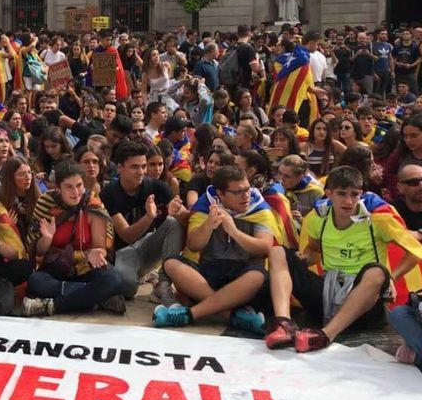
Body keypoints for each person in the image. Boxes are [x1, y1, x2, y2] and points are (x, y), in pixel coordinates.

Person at [264, 166, 422, 352]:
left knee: (377, 271)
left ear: (361, 194)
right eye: (341, 194)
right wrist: (303, 260)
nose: (348, 201)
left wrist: (392, 278)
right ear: (329, 194)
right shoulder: (318, 219)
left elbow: (415, 251)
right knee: (277, 252)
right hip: (328, 294)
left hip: (364, 304)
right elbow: (314, 250)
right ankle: (284, 324)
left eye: (354, 194)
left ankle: (325, 335)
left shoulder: (378, 221)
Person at [155, 166, 274, 334]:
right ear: (221, 194)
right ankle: (231, 315)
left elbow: (265, 248)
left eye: (247, 189)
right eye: (238, 192)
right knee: (171, 263)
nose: (246, 196)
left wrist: (234, 231)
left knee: (258, 276)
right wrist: (208, 224)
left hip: (242, 277)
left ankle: (190, 314)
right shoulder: (206, 205)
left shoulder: (259, 207)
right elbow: (194, 245)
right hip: (209, 275)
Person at [22, 160, 125, 316]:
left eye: (79, 185)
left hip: (86, 266)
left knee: (114, 281)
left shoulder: (93, 204)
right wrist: (47, 238)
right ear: (57, 188)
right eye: (69, 187)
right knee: (36, 282)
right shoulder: (46, 204)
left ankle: (51, 305)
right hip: (56, 267)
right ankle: (94, 298)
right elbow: (39, 252)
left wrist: (96, 253)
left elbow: (100, 248)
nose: (76, 192)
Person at [100, 140, 188, 301]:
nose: (140, 171)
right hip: (122, 252)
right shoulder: (109, 193)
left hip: (148, 245)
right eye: (134, 167)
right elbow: (126, 235)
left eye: (143, 166)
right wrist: (149, 217)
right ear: (120, 167)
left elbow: (186, 220)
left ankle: (163, 283)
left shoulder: (158, 187)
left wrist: (179, 213)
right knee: (127, 288)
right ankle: (140, 274)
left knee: (173, 223)